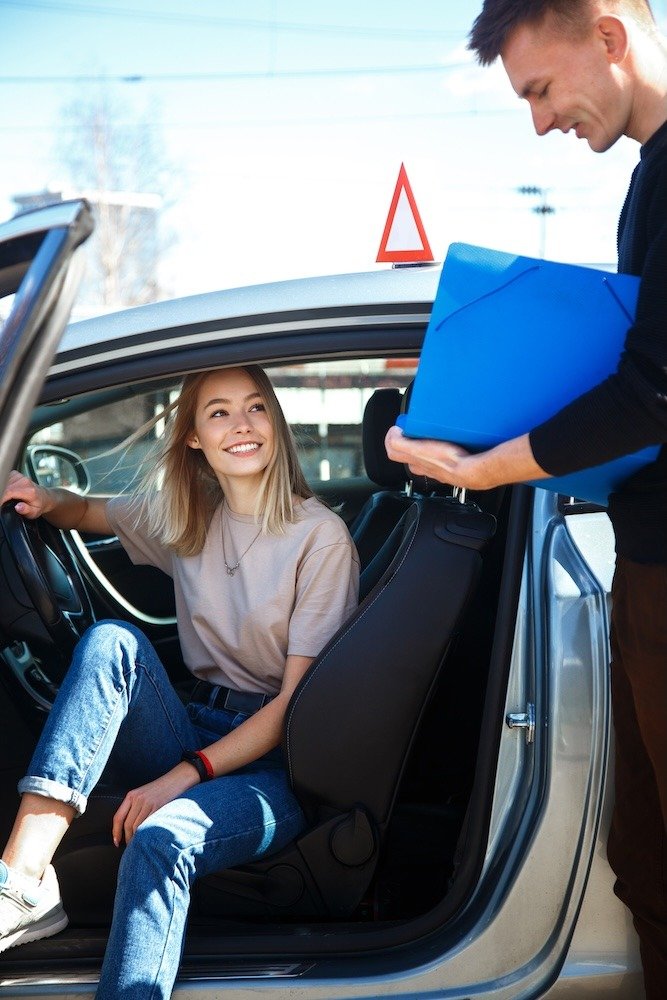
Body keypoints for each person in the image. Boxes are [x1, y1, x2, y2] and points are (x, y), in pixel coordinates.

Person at [387, 2, 667, 996]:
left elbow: (653, 389)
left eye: (539, 90)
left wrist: (485, 466)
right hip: (648, 565)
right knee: (648, 866)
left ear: (606, 31)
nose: (540, 122)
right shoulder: (650, 180)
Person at [0, 365, 359, 998]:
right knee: (113, 643)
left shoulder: (320, 538)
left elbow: (294, 708)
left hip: (275, 764)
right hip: (194, 722)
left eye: (256, 408)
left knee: (161, 836)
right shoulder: (190, 517)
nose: (242, 425)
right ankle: (23, 881)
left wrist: (181, 775)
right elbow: (90, 511)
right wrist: (38, 497)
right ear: (192, 435)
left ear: (276, 422)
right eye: (218, 412)